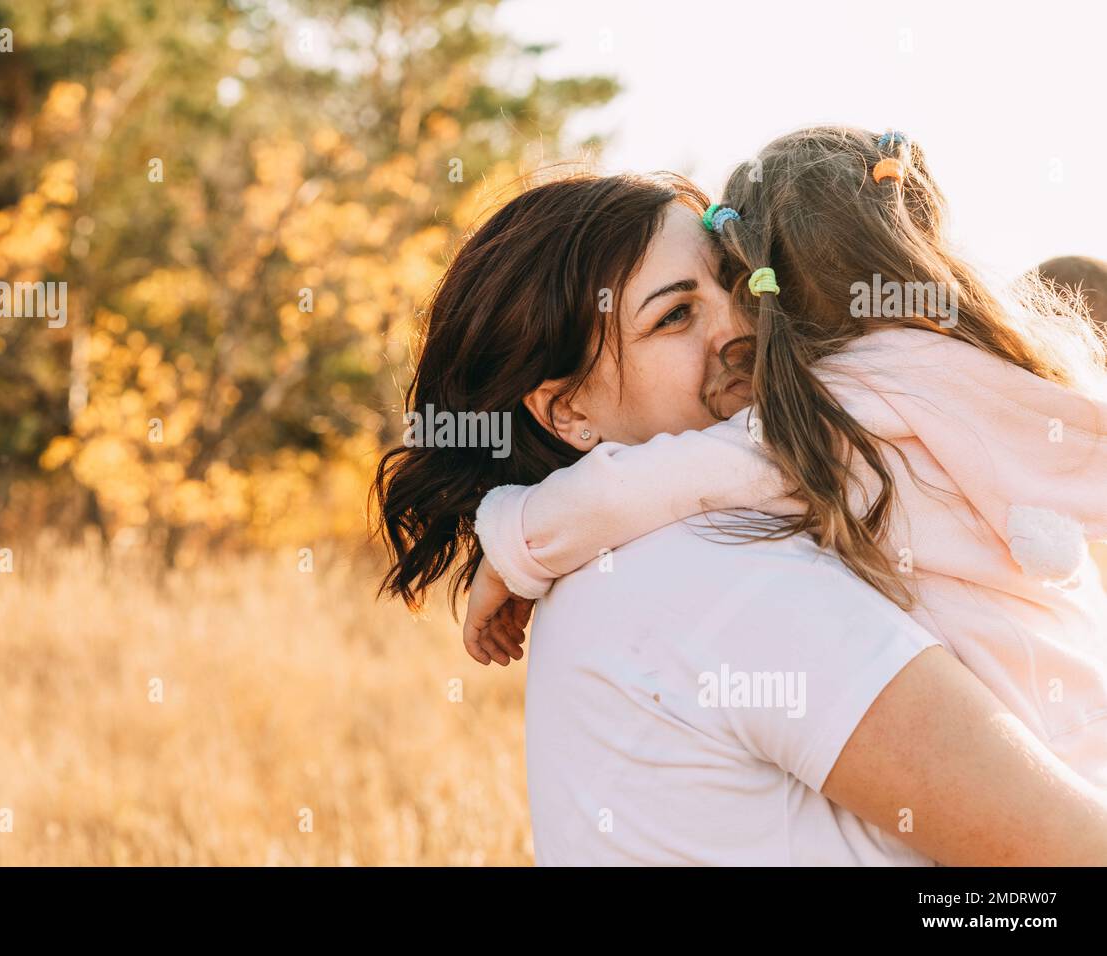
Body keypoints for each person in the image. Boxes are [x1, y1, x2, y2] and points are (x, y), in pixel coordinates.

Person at [374, 171, 1107, 864]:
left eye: (735, 284)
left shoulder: (625, 569)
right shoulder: (711, 575)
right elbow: (1072, 848)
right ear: (570, 410)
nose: (741, 325)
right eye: (676, 314)